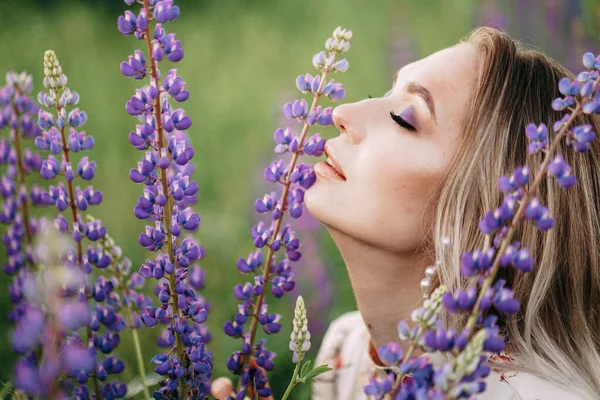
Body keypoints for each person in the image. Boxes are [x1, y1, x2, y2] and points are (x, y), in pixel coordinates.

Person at [305, 27, 600, 400]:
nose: (342, 112)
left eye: (404, 119)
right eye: (381, 95)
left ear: (485, 214)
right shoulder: (345, 348)